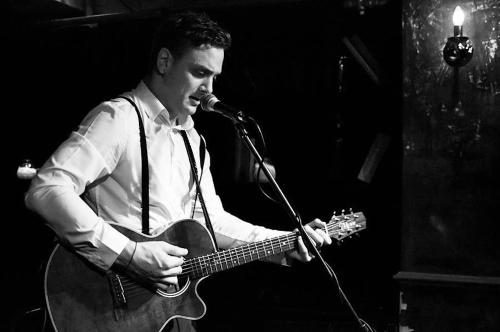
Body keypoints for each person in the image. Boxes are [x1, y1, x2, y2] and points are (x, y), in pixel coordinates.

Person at [25, 10, 331, 331]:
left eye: (214, 76)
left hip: (169, 308)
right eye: (199, 72)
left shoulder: (193, 139)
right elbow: (47, 191)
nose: (209, 89)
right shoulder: (119, 119)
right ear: (165, 62)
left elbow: (212, 223)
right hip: (110, 306)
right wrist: (129, 254)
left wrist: (285, 240)